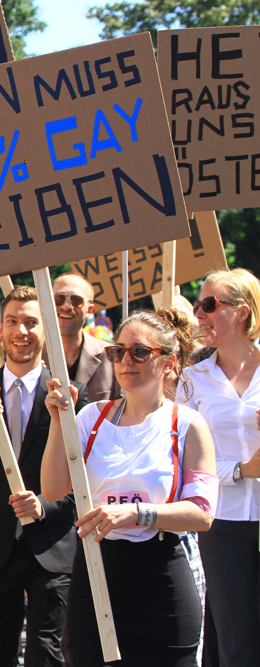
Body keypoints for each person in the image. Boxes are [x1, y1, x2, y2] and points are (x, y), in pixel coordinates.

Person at [43, 309, 217, 666]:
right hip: (96, 575)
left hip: (162, 580)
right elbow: (53, 489)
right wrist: (58, 424)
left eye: (140, 352)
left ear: (168, 363)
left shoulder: (187, 424)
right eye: (117, 351)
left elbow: (202, 514)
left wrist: (138, 513)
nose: (126, 361)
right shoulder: (91, 418)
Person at [0, 286, 86, 667]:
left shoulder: (68, 394)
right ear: (0, 329)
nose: (20, 331)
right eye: (12, 322)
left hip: (52, 548)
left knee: (46, 655)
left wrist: (46, 506)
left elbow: (87, 482)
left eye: (31, 322)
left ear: (47, 330)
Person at [179, 268, 260, 667]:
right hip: (223, 521)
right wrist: (243, 469)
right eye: (198, 305)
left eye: (210, 304)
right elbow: (184, 458)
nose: (200, 314)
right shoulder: (192, 380)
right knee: (236, 636)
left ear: (243, 312)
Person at [51, 273, 121, 401]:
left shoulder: (112, 357)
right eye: (59, 299)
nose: (66, 306)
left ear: (89, 310)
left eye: (77, 301)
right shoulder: (33, 355)